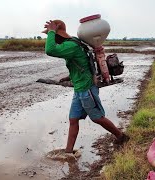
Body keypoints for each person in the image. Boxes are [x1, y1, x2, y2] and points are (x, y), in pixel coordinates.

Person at [42, 20, 129, 156]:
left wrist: (52, 31)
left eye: (52, 36)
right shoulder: (73, 43)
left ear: (58, 35)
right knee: (73, 119)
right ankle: (68, 151)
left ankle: (121, 137)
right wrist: (69, 77)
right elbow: (81, 64)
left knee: (97, 117)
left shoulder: (71, 45)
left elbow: (50, 50)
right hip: (79, 88)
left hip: (87, 88)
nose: (52, 38)